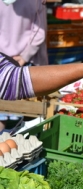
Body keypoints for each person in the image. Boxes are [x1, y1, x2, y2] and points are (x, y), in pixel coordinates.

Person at [0, 0, 49, 132]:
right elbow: (39, 32)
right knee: (28, 117)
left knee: (2, 114)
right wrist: (24, 57)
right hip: (27, 63)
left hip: (3, 63)